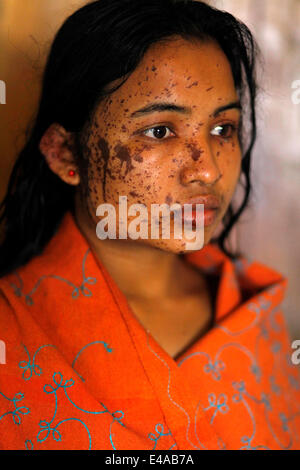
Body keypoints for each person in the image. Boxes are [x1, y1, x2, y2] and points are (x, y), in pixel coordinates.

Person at [0, 0, 299, 451]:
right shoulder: (12, 336)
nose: (208, 171)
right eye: (160, 131)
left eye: (222, 129)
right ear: (65, 153)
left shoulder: (256, 317)